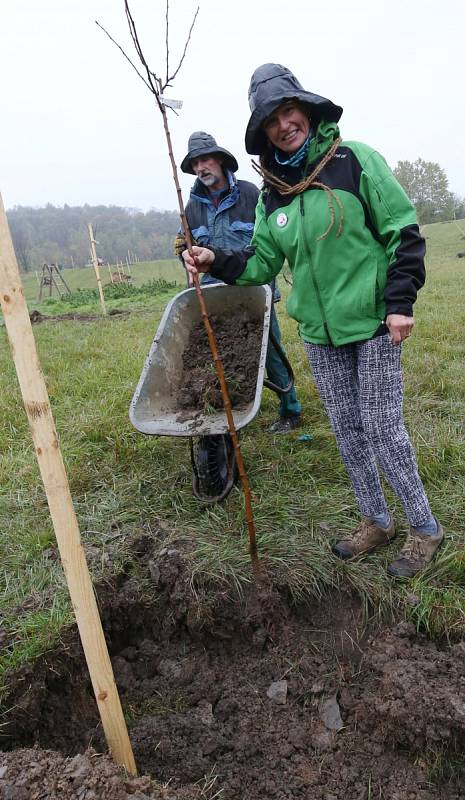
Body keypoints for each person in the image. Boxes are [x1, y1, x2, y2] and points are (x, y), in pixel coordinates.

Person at [182, 63, 444, 578]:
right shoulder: (275, 191)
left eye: (288, 110)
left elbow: (402, 230)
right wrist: (216, 259)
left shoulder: (353, 161)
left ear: (306, 110)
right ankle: (376, 520)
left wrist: (399, 301)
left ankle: (423, 527)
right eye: (272, 119)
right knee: (347, 431)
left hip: (372, 324)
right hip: (320, 336)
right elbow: (261, 263)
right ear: (263, 133)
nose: (284, 125)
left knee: (383, 429)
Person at [175, 130, 302, 434]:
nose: (200, 168)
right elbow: (184, 242)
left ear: (220, 160)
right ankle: (225, 406)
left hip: (255, 290)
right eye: (194, 164)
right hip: (213, 294)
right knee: (213, 353)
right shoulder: (192, 206)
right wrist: (185, 256)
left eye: (205, 160)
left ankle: (291, 409)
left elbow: (268, 243)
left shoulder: (250, 195)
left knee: (269, 350)